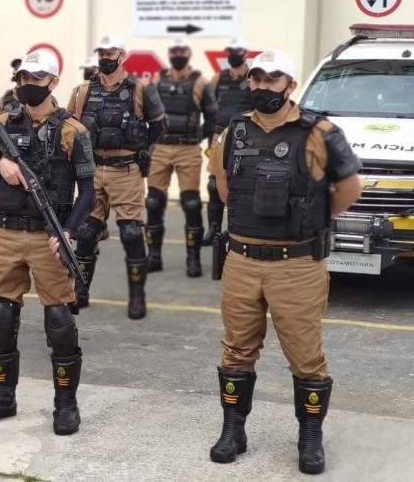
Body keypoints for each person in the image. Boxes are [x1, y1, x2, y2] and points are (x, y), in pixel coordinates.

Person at [207, 50, 361, 474]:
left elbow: (350, 186)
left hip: (296, 264)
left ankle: (309, 439)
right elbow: (222, 184)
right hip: (241, 259)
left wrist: (316, 219)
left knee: (306, 357)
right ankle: (233, 431)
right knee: (236, 351)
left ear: (290, 85)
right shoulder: (234, 130)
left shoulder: (319, 132)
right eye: (256, 78)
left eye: (272, 79)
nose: (262, 86)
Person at [0, 50, 95, 435]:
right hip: (7, 234)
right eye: (23, 77)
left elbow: (89, 192)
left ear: (53, 82)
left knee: (59, 322)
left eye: (36, 78)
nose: (27, 84)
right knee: (1, 318)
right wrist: (0, 166)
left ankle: (66, 405)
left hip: (49, 237)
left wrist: (67, 231)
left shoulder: (73, 130)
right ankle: (4, 399)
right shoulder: (3, 125)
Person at [66, 35, 166, 317]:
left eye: (110, 52)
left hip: (126, 170)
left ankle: (137, 297)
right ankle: (80, 291)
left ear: (122, 55)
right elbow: (69, 127)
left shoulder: (141, 89)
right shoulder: (82, 91)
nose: (104, 57)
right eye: (101, 52)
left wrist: (146, 152)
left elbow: (159, 125)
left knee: (131, 233)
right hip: (93, 170)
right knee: (87, 232)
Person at [146, 38, 218, 277]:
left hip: (187, 149)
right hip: (161, 147)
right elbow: (145, 112)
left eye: (181, 51)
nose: (178, 54)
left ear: (188, 53)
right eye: (174, 51)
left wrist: (198, 137)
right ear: (170, 54)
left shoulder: (200, 82)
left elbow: (212, 116)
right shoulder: (157, 81)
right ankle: (153, 256)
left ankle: (193, 259)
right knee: (153, 202)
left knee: (191, 203)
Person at [204, 39, 252, 246]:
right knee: (214, 184)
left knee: (244, 182)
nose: (232, 54)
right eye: (230, 51)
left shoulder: (253, 77)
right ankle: (213, 230)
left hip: (245, 137)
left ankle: (240, 229)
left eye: (236, 51)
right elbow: (208, 106)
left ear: (245, 53)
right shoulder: (219, 77)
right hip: (220, 135)